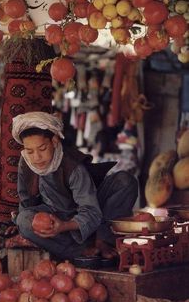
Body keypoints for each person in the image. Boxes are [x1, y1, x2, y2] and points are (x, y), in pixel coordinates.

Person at [11, 111, 138, 260]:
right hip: (54, 218)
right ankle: (77, 251)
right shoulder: (25, 162)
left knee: (125, 181)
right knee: (23, 220)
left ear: (55, 141)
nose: (36, 157)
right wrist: (24, 226)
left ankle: (103, 241)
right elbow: (26, 202)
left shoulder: (73, 167)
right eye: (30, 151)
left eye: (42, 149)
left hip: (89, 215)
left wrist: (63, 225)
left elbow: (91, 211)